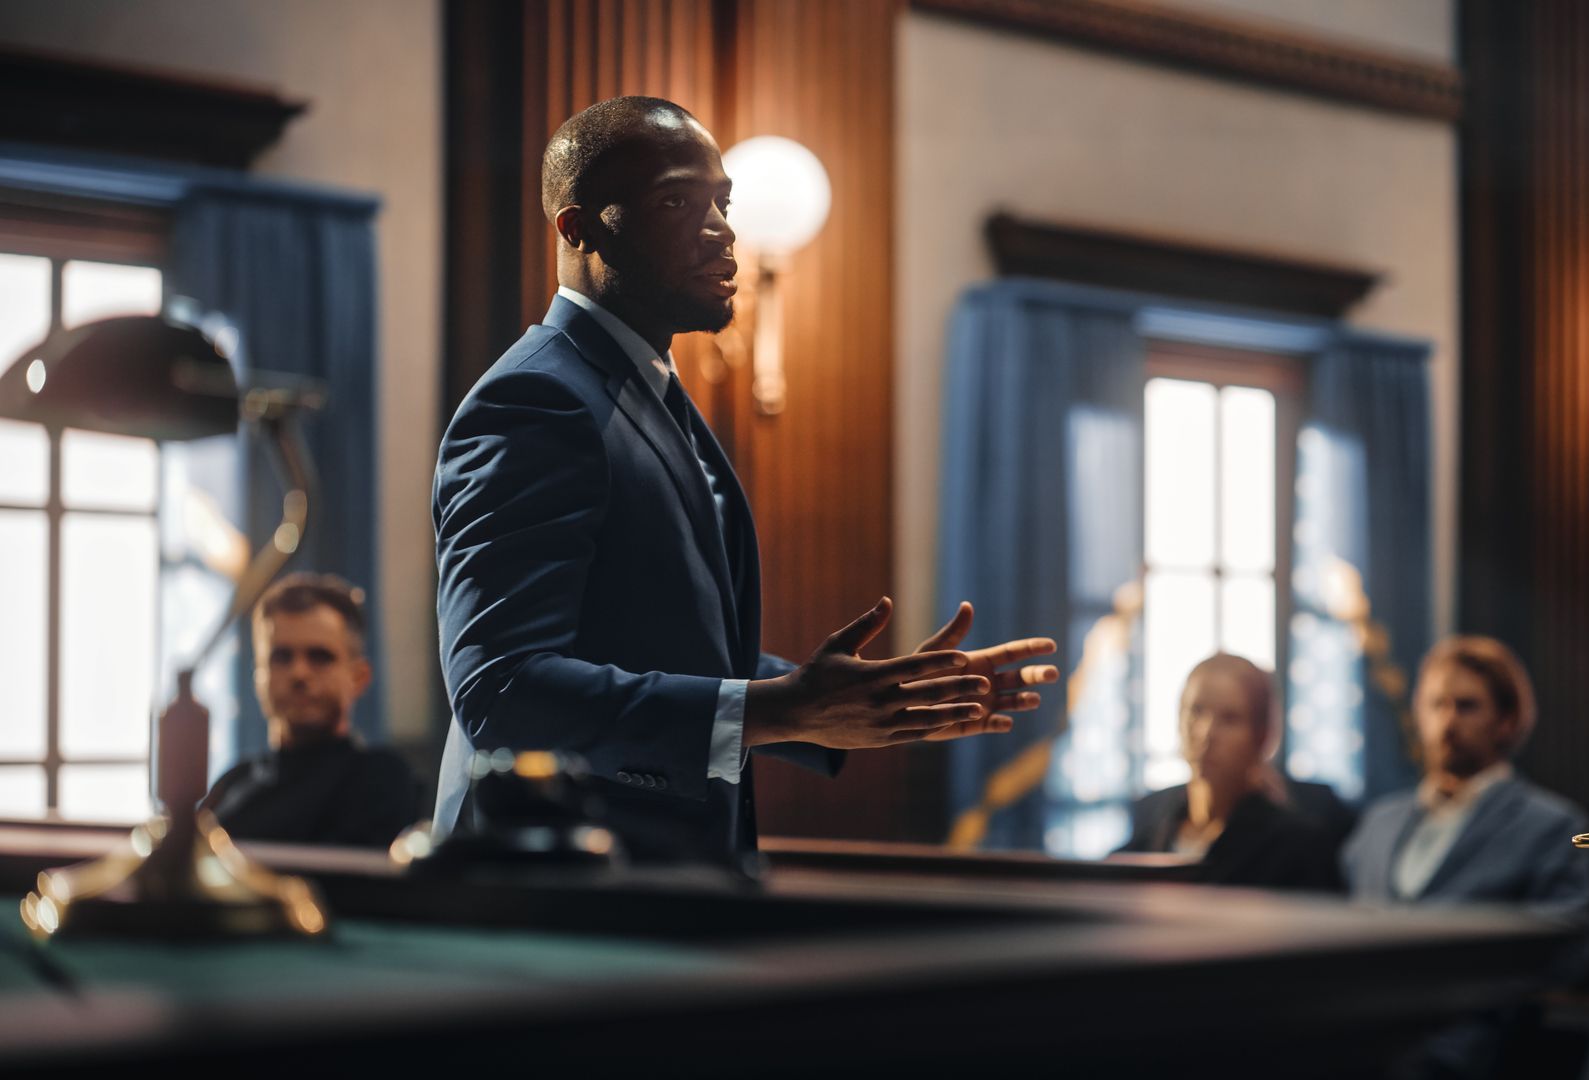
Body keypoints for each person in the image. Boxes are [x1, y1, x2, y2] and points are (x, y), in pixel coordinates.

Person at [433, 96, 1057, 863]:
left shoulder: (646, 391)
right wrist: (772, 709)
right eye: (676, 201)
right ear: (578, 227)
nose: (722, 229)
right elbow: (503, 689)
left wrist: (855, 702)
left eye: (723, 203)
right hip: (552, 883)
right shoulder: (535, 398)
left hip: (663, 877)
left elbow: (663, 643)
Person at [1342, 635, 1589, 1079]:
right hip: (1357, 1034)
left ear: (1506, 720)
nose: (1448, 721)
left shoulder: (1550, 824)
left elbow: (1570, 945)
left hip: (1466, 1043)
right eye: (1436, 705)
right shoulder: (1378, 822)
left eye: (1466, 706)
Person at [201, 573, 421, 849]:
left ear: (359, 677)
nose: (299, 673)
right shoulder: (232, 784)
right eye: (281, 657)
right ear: (259, 677)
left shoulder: (381, 778)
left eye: (320, 656)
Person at [1120, 653, 1346, 890]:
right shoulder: (1151, 824)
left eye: (1230, 719)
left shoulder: (1298, 847)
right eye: (1195, 711)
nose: (1206, 733)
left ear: (1262, 736)